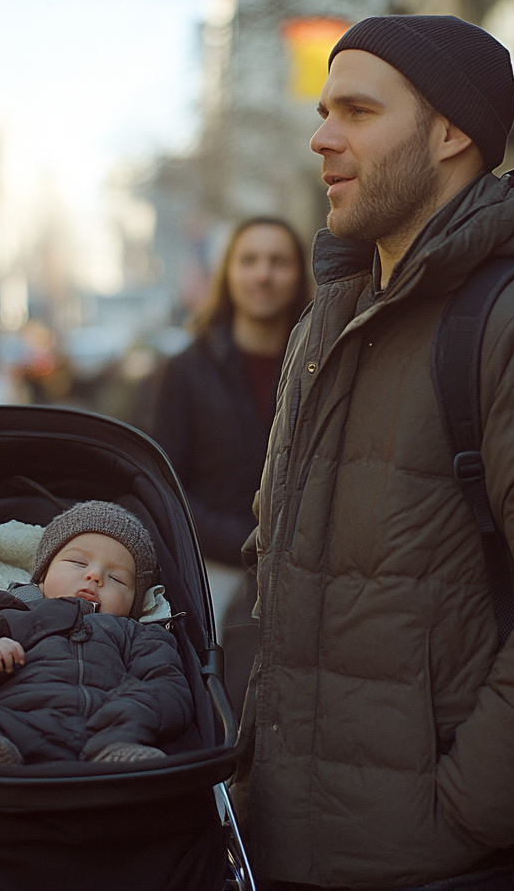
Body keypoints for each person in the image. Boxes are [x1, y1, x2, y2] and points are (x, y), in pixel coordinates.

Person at [236, 15, 514, 891]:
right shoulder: (326, 325)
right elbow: (284, 568)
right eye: (325, 110)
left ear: (452, 133)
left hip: (447, 862)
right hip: (288, 845)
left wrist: (465, 818)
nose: (322, 137)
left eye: (359, 112)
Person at [151, 217, 309, 707]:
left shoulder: (321, 363)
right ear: (229, 274)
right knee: (220, 709)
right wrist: (243, 543)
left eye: (278, 262)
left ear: (299, 274)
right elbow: (163, 483)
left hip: (303, 572)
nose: (263, 274)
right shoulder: (186, 370)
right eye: (250, 260)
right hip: (214, 574)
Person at [0, 501, 193, 768]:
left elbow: (169, 686)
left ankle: (118, 759)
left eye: (117, 578)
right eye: (78, 562)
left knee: (147, 720)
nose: (95, 576)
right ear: (42, 576)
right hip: (23, 717)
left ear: (134, 602)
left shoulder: (138, 634)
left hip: (108, 731)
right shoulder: (16, 615)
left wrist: (130, 714)